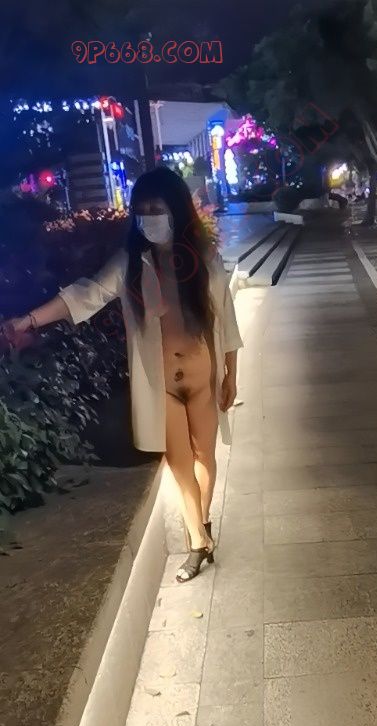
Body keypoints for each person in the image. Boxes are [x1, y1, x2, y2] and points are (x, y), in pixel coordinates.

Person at [1, 167, 243, 580]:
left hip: (203, 378)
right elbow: (86, 294)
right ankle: (197, 542)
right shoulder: (131, 263)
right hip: (161, 384)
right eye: (142, 210)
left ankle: (201, 525)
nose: (149, 218)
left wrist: (230, 375)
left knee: (205, 456)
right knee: (179, 463)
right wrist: (28, 320)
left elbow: (226, 317)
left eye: (157, 209)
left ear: (176, 210)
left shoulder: (203, 261)